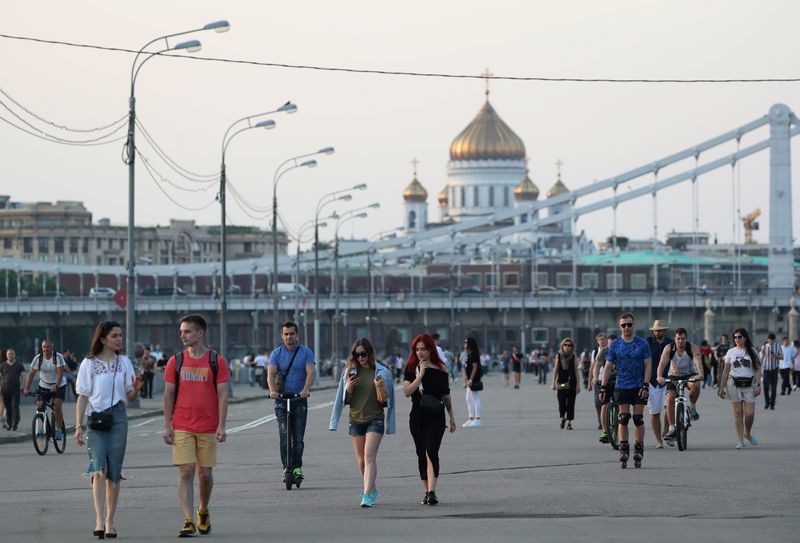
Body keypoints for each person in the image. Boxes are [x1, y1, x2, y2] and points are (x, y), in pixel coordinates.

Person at [163, 314, 230, 537]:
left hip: (208, 426)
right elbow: (168, 394)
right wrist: (166, 425)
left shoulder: (216, 360)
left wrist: (222, 425)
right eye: (181, 332)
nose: (182, 335)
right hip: (182, 424)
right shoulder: (176, 361)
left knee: (205, 475)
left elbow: (222, 395)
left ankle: (203, 510)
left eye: (187, 331)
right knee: (187, 471)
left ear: (200, 333)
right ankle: (188, 519)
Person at [74, 321, 143, 539]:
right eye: (114, 335)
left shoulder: (124, 362)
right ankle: (98, 519)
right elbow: (82, 396)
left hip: (119, 418)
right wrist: (77, 426)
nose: (119, 339)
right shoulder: (89, 363)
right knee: (98, 469)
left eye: (120, 335)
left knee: (114, 473)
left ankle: (110, 521)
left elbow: (129, 395)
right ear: (102, 339)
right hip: (95, 420)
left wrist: (137, 391)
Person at [329, 337, 396, 507]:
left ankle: (366, 495)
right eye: (357, 354)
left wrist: (381, 390)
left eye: (363, 354)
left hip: (375, 418)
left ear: (370, 353)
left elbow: (387, 403)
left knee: (369, 456)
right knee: (361, 461)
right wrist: (349, 388)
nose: (360, 357)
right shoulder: (349, 372)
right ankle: (372, 489)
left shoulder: (382, 372)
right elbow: (344, 400)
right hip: (356, 419)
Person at [403, 333, 456, 505]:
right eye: (417, 350)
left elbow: (446, 396)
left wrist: (452, 418)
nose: (420, 353)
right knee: (421, 453)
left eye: (423, 349)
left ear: (430, 349)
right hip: (417, 416)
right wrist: (420, 376)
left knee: (431, 450)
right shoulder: (411, 368)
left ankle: (432, 492)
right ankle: (426, 491)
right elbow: (407, 392)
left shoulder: (441, 369)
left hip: (436, 416)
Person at [267, 321, 315, 484]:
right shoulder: (276, 353)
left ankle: (297, 467)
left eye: (292, 333)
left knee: (298, 438)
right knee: (284, 436)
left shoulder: (306, 352)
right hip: (281, 400)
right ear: (282, 335)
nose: (289, 337)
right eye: (286, 334)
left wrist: (306, 389)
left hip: (299, 399)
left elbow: (310, 372)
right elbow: (271, 373)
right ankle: (286, 468)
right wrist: (273, 391)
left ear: (297, 334)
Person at [601, 313, 651, 468]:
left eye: (629, 325)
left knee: (638, 419)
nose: (627, 328)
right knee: (623, 418)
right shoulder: (615, 345)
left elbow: (648, 365)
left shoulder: (642, 343)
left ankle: (638, 448)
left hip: (638, 385)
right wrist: (603, 387)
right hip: (621, 385)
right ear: (620, 327)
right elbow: (608, 366)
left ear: (633, 325)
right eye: (624, 325)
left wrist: (645, 385)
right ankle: (623, 449)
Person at [656, 328, 704, 445]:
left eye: (683, 339)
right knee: (670, 398)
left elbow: (698, 361)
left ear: (686, 339)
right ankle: (672, 427)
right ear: (675, 339)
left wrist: (700, 374)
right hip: (673, 376)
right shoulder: (669, 348)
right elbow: (662, 363)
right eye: (678, 338)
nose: (680, 341)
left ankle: (692, 407)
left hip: (689, 375)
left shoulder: (692, 348)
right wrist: (659, 376)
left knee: (695, 385)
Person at [718, 328, 762, 449]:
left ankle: (747, 433)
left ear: (745, 338)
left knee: (749, 413)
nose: (737, 339)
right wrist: (721, 387)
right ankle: (740, 441)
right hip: (733, 383)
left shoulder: (752, 351)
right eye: (735, 337)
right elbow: (726, 370)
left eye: (740, 337)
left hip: (750, 384)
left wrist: (758, 385)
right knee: (737, 413)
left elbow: (758, 369)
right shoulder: (731, 352)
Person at [23, 340, 67, 441]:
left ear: (52, 347)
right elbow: (31, 374)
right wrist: (26, 388)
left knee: (57, 404)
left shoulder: (58, 357)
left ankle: (58, 429)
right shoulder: (38, 358)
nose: (45, 349)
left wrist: (56, 385)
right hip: (43, 385)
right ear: (41, 348)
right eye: (44, 347)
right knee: (40, 405)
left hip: (59, 385)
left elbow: (60, 373)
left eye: (48, 347)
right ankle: (42, 427)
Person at [645, 320, 674, 449]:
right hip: (652, 381)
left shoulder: (671, 343)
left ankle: (667, 429)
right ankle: (658, 440)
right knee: (655, 412)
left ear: (664, 331)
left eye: (660, 330)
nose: (658, 332)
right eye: (656, 330)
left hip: (668, 379)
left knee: (669, 408)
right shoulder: (648, 343)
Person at [551, 338, 581, 430]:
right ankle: (562, 417)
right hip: (561, 381)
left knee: (571, 403)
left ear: (572, 347)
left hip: (572, 382)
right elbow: (556, 370)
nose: (567, 347)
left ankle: (569, 422)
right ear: (562, 346)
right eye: (565, 345)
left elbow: (576, 371)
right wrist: (553, 382)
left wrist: (578, 385)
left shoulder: (574, 357)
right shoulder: (558, 356)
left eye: (569, 345)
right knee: (561, 402)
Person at [593, 334, 617, 443]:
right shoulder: (603, 352)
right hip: (606, 381)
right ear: (608, 344)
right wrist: (595, 377)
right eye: (610, 344)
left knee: (622, 404)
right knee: (604, 404)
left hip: (619, 381)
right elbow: (597, 366)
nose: (612, 346)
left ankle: (620, 423)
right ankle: (605, 431)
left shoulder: (621, 351)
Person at [1, 348, 25, 431]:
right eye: (9, 354)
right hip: (5, 390)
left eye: (12, 354)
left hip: (16, 390)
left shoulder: (19, 365)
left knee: (15, 406)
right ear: (6, 356)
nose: (10, 355)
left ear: (14, 355)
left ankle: (15, 423)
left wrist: (22, 387)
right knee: (8, 407)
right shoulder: (2, 365)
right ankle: (9, 424)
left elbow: (23, 378)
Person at [461, 337, 483, 428]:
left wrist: (471, 379)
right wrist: (466, 379)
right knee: (468, 398)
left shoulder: (473, 354)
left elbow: (475, 367)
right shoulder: (468, 354)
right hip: (470, 379)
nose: (465, 344)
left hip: (474, 379)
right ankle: (471, 418)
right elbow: (466, 368)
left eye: (466, 343)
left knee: (475, 398)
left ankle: (477, 419)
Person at [588, 332, 607, 430]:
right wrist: (589, 381)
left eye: (603, 339)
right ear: (597, 342)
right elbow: (592, 367)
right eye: (600, 340)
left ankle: (610, 420)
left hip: (609, 379)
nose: (602, 341)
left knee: (607, 402)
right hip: (598, 379)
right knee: (597, 402)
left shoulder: (610, 350)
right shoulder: (595, 352)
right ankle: (601, 422)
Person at [759, 332, 782, 410]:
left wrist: (775, 355)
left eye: (772, 340)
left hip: (774, 369)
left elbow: (782, 357)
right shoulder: (764, 347)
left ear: (774, 340)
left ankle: (772, 404)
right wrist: (759, 367)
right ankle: (767, 403)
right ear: (767, 340)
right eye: (769, 340)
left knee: (774, 388)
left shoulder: (778, 346)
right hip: (766, 369)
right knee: (765, 386)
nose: (771, 342)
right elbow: (761, 358)